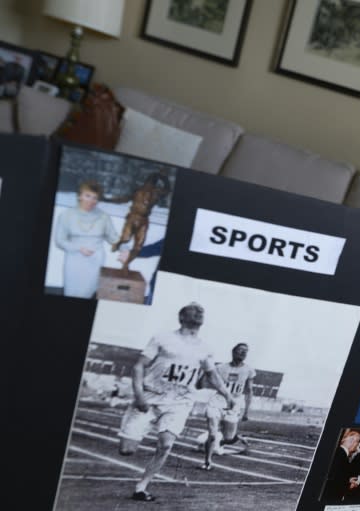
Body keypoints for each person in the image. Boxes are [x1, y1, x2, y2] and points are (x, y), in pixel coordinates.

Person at [117, 302, 235, 502]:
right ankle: (134, 439)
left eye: (201, 310)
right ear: (181, 317)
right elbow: (139, 367)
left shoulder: (205, 348)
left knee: (166, 444)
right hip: (151, 396)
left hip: (180, 401)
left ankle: (142, 486)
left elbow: (212, 374)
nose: (199, 311)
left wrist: (228, 395)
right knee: (126, 450)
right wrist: (138, 395)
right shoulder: (162, 338)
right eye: (193, 310)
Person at [54, 180, 120, 298]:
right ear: (79, 196)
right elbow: (59, 240)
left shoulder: (103, 217)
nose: (91, 200)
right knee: (70, 293)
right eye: (87, 196)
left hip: (95, 260)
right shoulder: (66, 215)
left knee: (87, 294)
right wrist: (78, 248)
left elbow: (113, 237)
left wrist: (125, 249)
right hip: (74, 259)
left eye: (95, 197)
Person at [197, 342, 254, 470]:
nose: (244, 353)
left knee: (228, 437)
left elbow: (249, 391)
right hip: (218, 400)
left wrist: (246, 412)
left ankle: (230, 438)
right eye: (241, 350)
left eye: (246, 351)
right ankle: (207, 461)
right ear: (233, 352)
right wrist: (202, 374)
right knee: (212, 433)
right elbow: (203, 384)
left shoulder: (249, 370)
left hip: (235, 402)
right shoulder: (220, 367)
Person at [106, 170, 171, 270]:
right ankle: (119, 246)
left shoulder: (155, 193)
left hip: (143, 220)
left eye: (151, 183)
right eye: (148, 183)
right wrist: (108, 200)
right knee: (125, 239)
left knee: (138, 246)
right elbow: (124, 199)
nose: (148, 186)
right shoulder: (138, 191)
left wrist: (163, 178)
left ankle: (126, 264)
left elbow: (167, 190)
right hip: (133, 217)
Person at [322, 429, 360, 501]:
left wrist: (348, 480)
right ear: (351, 441)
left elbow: (337, 475)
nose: (358, 445)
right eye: (358, 442)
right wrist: (349, 485)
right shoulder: (341, 455)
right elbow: (333, 481)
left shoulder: (339, 453)